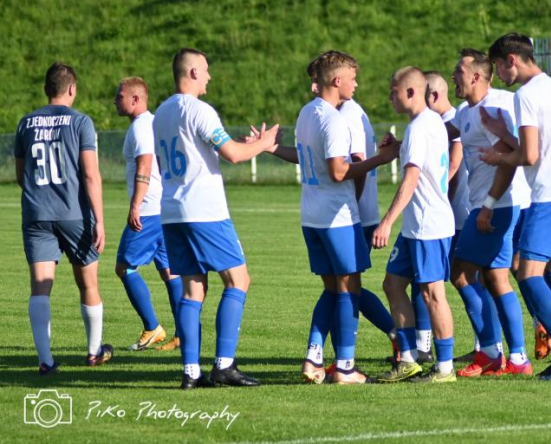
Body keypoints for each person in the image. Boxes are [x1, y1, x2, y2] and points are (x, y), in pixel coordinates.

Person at [267, 51, 399, 385]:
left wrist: (270, 149)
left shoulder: (307, 113)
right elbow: (340, 171)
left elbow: (305, 156)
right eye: (353, 78)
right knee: (349, 288)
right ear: (337, 81)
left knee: (333, 289)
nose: (356, 84)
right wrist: (381, 160)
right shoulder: (335, 119)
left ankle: (314, 358)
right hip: (337, 217)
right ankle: (344, 367)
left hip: (311, 217)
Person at [153, 48, 280, 389]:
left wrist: (243, 143)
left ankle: (191, 373)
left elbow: (202, 150)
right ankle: (224, 365)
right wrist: (265, 144)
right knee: (238, 280)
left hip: (172, 211)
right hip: (204, 211)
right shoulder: (200, 110)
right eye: (206, 70)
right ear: (193, 72)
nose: (209, 76)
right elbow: (235, 156)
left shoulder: (161, 113)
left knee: (193, 289)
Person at [481, 32, 551, 380]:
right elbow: (541, 145)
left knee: (528, 273)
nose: (498, 76)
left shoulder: (525, 94)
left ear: (511, 60)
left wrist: (498, 155)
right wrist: (507, 134)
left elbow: (529, 156)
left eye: (498, 66)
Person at [15, 62, 112, 375]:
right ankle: (94, 352)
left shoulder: (25, 123)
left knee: (40, 287)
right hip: (75, 214)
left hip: (36, 214)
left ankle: (45, 361)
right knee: (88, 285)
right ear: (72, 89)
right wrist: (99, 218)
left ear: (46, 89)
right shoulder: (81, 122)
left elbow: (21, 174)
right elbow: (90, 174)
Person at [445, 48, 533, 378]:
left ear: (477, 76)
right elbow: (444, 131)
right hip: (484, 205)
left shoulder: (492, 109)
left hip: (497, 205)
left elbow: (511, 157)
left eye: (459, 71)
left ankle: (501, 354)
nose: (454, 76)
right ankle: (503, 355)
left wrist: (489, 205)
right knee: (489, 277)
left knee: (467, 274)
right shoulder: (466, 112)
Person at [373, 66, 456, 383]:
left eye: (393, 91)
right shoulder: (424, 124)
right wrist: (400, 147)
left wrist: (386, 222)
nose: (390, 96)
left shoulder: (422, 127)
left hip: (428, 225)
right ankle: (407, 359)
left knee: (433, 295)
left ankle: (445, 368)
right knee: (392, 285)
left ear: (410, 92)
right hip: (416, 226)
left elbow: (411, 180)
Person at [113, 77, 182, 352]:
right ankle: (183, 335)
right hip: (163, 208)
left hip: (149, 210)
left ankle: (152, 327)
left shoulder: (141, 127)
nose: (115, 100)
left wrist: (135, 205)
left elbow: (145, 164)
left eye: (119, 96)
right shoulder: (155, 123)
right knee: (170, 272)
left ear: (135, 99)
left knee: (124, 267)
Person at [424, 71, 470, 361]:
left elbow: (451, 169)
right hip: (452, 216)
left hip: (458, 216)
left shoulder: (454, 120)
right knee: (437, 281)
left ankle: (491, 348)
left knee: (465, 280)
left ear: (434, 96)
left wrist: (435, 205)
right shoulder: (439, 122)